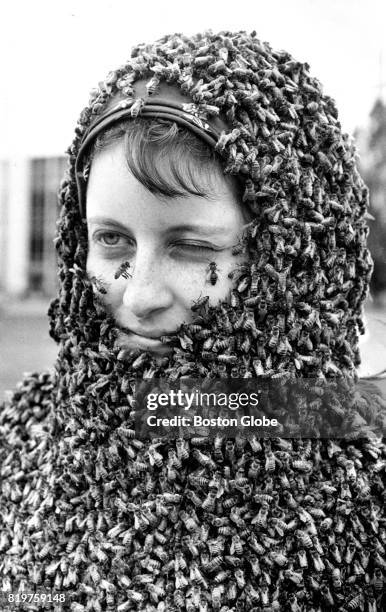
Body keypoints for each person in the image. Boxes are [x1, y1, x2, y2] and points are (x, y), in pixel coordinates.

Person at [0, 29, 385, 612]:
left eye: (190, 246)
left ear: (290, 259)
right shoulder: (13, 438)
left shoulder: (367, 488)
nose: (139, 296)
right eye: (111, 239)